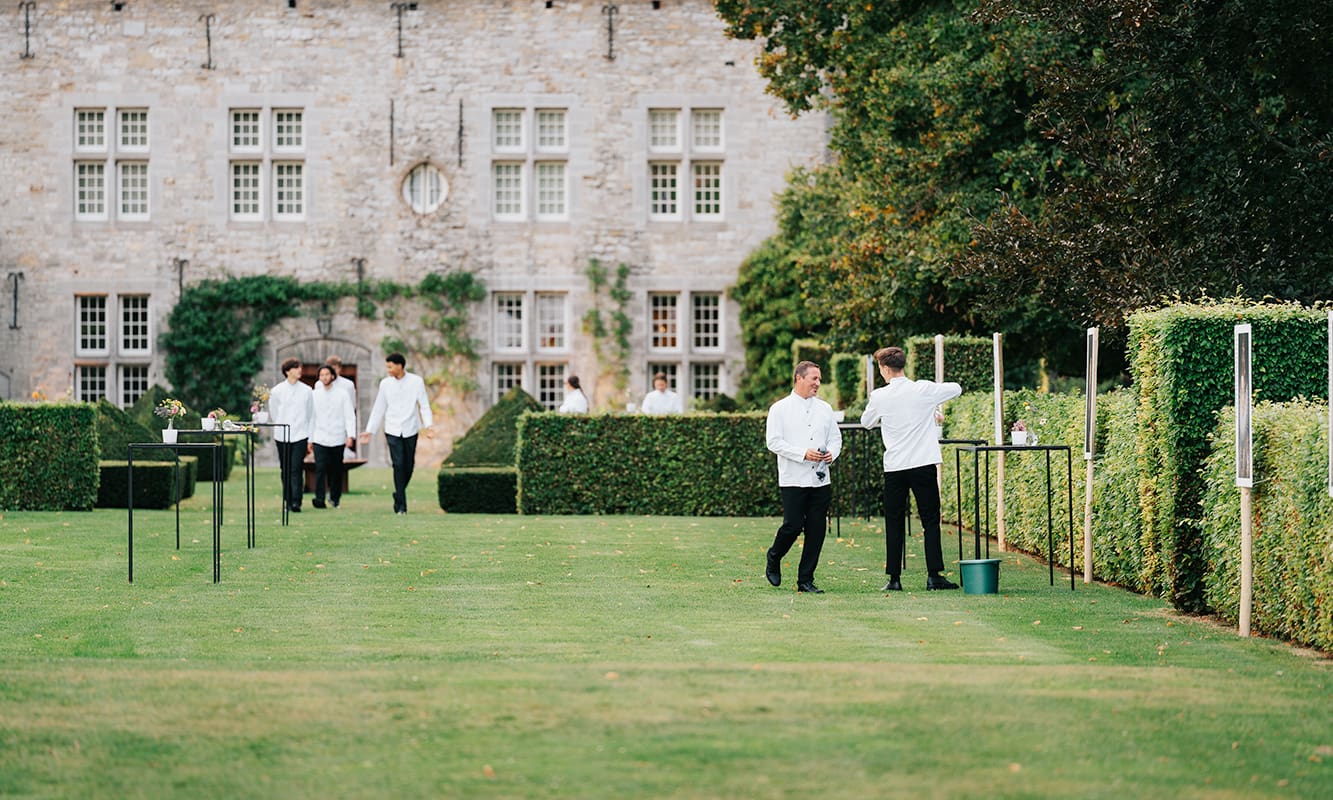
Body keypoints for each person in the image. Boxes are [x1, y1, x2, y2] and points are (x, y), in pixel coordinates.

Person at [860, 346, 963, 591]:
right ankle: (934, 576)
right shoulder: (923, 389)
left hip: (895, 467)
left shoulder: (879, 396)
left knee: (894, 522)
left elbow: (866, 422)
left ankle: (894, 579)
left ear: (885, 369)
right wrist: (930, 407)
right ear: (901, 365)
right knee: (930, 520)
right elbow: (956, 388)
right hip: (922, 464)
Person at [764, 360, 842, 594]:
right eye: (814, 378)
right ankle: (774, 556)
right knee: (793, 525)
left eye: (819, 379)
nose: (818, 383)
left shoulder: (825, 409)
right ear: (799, 378)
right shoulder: (779, 408)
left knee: (817, 530)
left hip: (820, 479)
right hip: (793, 478)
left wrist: (832, 453)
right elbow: (773, 442)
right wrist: (802, 454)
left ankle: (805, 580)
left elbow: (835, 438)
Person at [359, 353, 434, 515]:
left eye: (390, 366)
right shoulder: (385, 384)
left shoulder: (416, 381)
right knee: (398, 464)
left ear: (400, 366)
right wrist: (370, 430)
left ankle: (398, 493)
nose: (388, 370)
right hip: (392, 429)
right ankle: (402, 506)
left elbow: (424, 405)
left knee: (409, 466)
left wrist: (429, 425)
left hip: (411, 428)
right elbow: (379, 408)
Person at [268, 357, 314, 514]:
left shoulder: (307, 391)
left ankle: (296, 501)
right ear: (287, 371)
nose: (299, 370)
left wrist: (309, 436)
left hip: (300, 434)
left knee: (296, 468)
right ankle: (287, 500)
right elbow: (274, 413)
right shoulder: (277, 391)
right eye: (296, 368)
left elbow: (310, 414)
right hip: (282, 435)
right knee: (285, 469)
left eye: (300, 367)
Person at [309, 364, 356, 509]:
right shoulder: (314, 395)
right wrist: (310, 439)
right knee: (320, 468)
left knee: (336, 469)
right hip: (320, 436)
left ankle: (335, 498)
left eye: (327, 374)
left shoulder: (342, 394)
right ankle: (319, 498)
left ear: (333, 376)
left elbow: (349, 416)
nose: (324, 377)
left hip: (337, 436)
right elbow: (311, 418)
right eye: (322, 375)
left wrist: (350, 435)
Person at [324, 355, 358, 457]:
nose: (332, 372)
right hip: (324, 424)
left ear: (339, 369)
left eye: (335, 368)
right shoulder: (319, 384)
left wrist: (349, 433)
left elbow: (352, 407)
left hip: (341, 424)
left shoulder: (348, 385)